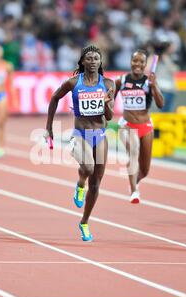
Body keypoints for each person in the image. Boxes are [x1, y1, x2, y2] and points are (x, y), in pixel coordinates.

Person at [45, 45, 115, 242]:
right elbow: (54, 97)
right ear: (82, 62)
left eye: (96, 58)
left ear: (100, 62)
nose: (92, 61)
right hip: (81, 134)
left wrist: (107, 103)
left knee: (96, 184)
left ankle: (84, 222)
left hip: (100, 134)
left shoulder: (108, 84)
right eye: (89, 58)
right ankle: (79, 183)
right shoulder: (74, 82)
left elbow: (108, 117)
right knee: (88, 167)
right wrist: (49, 127)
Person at [115, 50, 164, 203]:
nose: (137, 64)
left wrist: (154, 86)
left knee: (145, 170)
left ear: (145, 65)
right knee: (134, 150)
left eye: (141, 62)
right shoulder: (121, 80)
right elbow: (110, 100)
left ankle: (133, 181)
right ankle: (134, 191)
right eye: (135, 61)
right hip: (127, 124)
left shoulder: (149, 82)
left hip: (146, 126)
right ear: (130, 62)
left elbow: (161, 104)